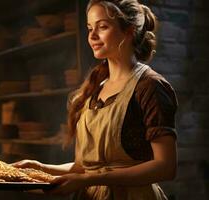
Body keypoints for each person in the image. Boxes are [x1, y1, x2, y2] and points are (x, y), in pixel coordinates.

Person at [13, 0, 178, 199]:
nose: (92, 36)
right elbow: (85, 168)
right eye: (90, 28)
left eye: (102, 27)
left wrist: (90, 180)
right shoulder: (95, 89)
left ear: (129, 31)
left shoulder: (149, 86)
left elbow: (165, 167)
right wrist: (43, 168)